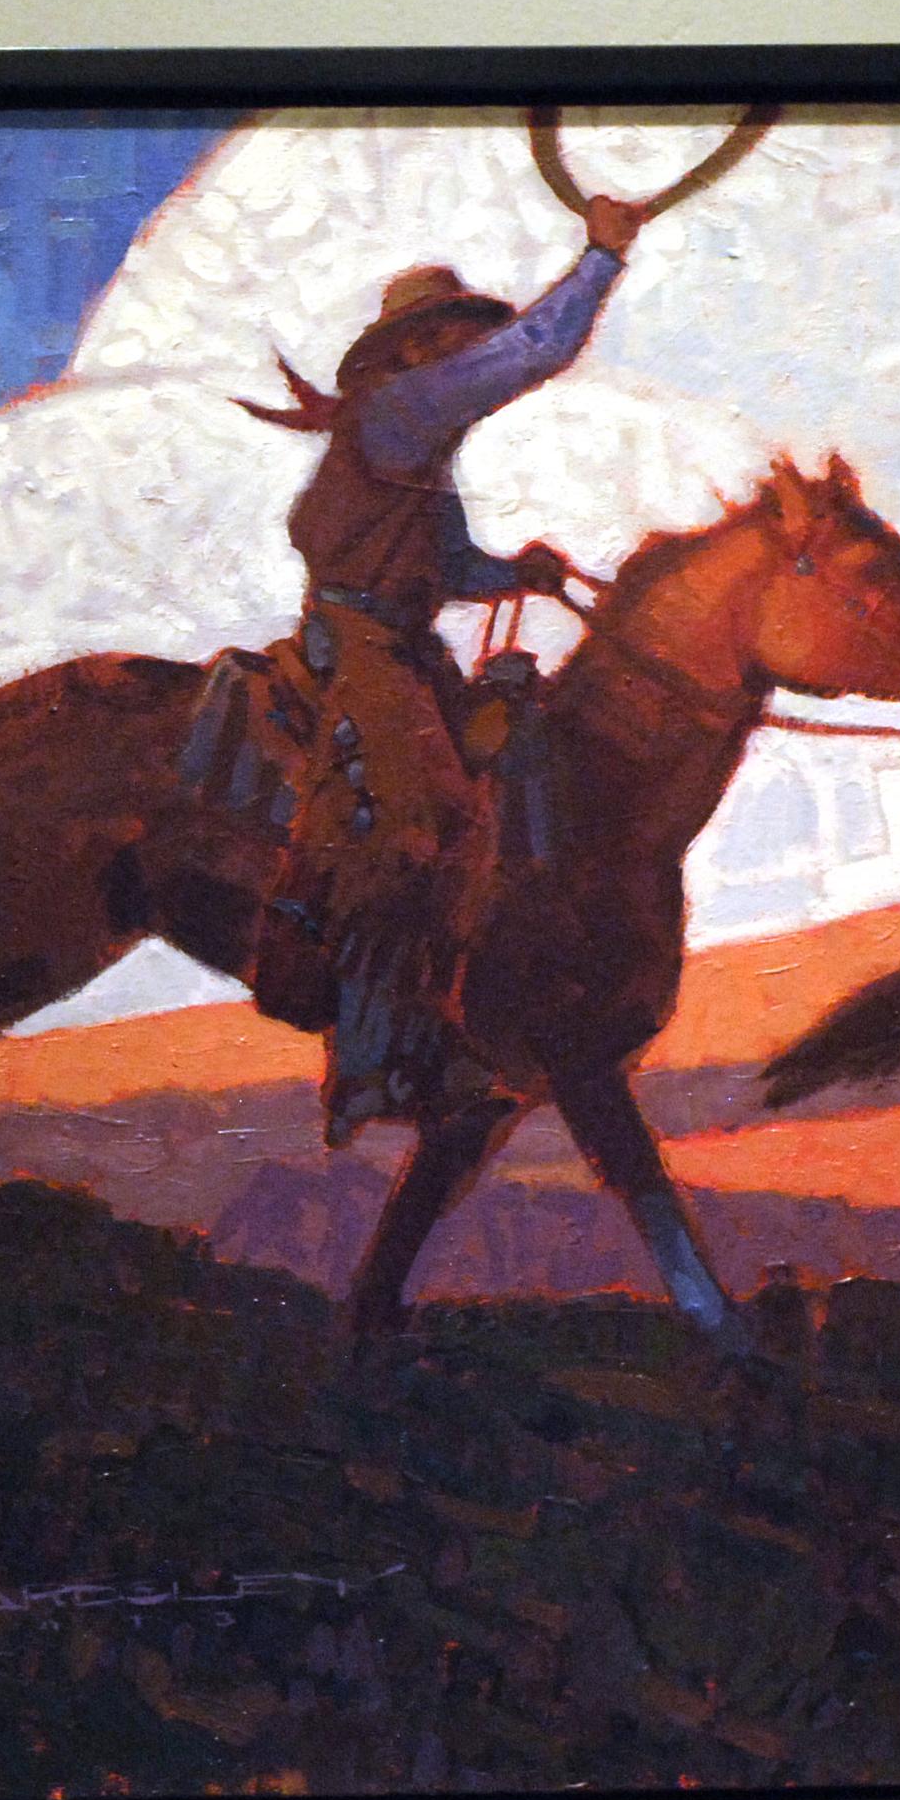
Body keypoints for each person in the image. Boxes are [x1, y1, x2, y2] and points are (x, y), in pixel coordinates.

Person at [242, 189, 649, 1141]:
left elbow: (449, 564)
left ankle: (505, 979)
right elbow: (534, 352)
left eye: (467, 334)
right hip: (362, 651)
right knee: (414, 822)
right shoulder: (402, 411)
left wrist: (517, 573)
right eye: (450, 337)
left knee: (521, 743)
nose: (464, 352)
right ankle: (371, 1061)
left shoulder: (415, 449)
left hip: (402, 642)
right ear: (410, 353)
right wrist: (600, 256)